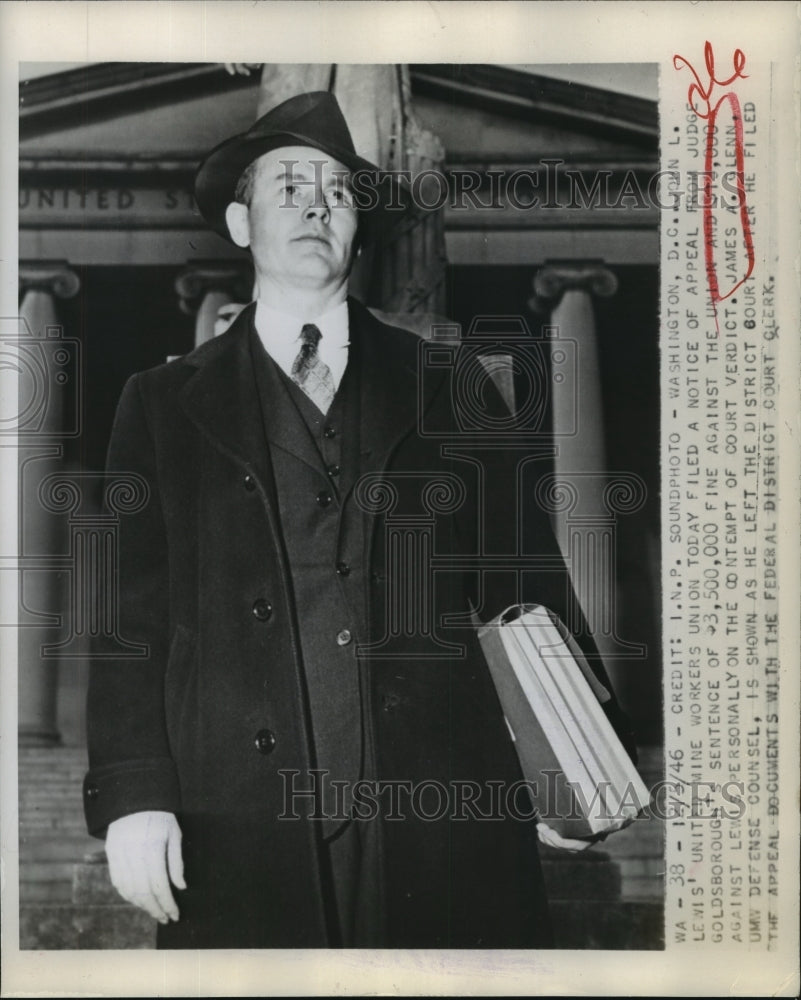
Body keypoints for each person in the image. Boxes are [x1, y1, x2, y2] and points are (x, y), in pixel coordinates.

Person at [83, 91, 635, 949]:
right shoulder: (158, 404)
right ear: (240, 223)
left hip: (436, 810)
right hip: (231, 812)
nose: (316, 207)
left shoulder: (452, 387)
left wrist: (573, 762)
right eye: (290, 188)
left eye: (338, 193)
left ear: (359, 225)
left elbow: (525, 584)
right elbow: (129, 622)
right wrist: (132, 795)